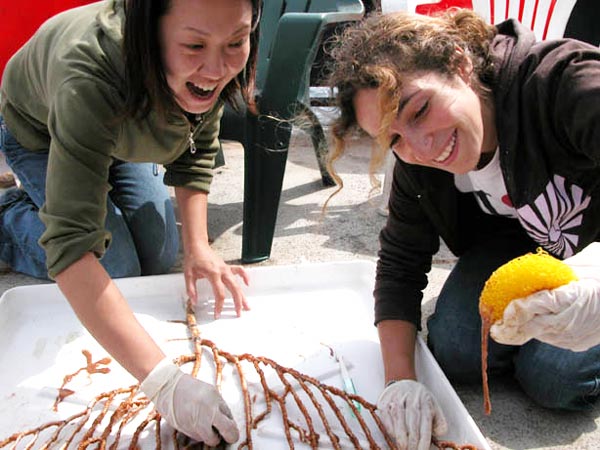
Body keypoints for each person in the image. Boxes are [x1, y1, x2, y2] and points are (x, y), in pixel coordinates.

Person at [325, 8, 600, 449]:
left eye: (420, 111)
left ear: (460, 64)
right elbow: (399, 263)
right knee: (452, 349)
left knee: (554, 377)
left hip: (592, 249)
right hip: (525, 246)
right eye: (393, 139)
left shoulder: (564, 83)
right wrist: (399, 382)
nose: (422, 147)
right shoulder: (416, 160)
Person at [0, 0, 262, 444]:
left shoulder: (205, 62)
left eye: (236, 41)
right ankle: (10, 217)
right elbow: (70, 248)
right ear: (146, 33)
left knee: (161, 250)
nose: (217, 68)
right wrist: (163, 382)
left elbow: (197, 147)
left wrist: (198, 245)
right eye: (195, 44)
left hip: (121, 131)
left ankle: (66, 192)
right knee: (116, 267)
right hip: (42, 131)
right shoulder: (89, 74)